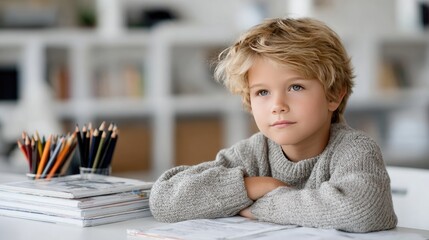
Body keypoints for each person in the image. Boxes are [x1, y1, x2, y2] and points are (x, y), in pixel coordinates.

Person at [149, 17, 397, 233]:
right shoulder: (252, 154)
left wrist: (263, 203)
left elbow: (364, 211)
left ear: (333, 95)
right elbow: (163, 200)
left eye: (295, 87)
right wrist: (251, 186)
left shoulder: (355, 150)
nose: (277, 105)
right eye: (262, 92)